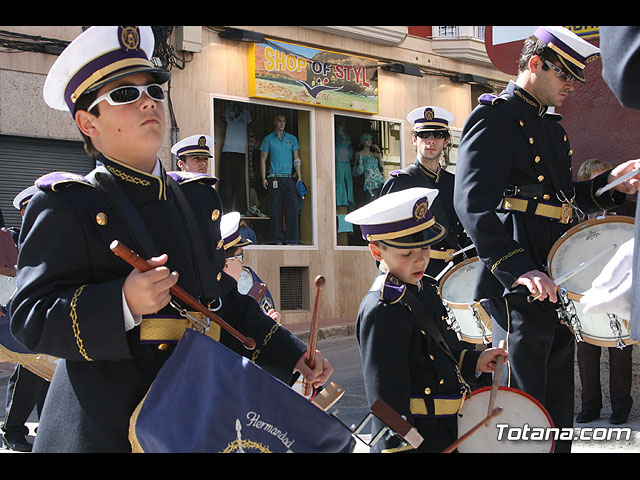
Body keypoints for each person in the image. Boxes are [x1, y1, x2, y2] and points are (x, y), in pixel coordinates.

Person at [8, 26, 333, 453]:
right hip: (109, 429)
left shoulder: (196, 198)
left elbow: (220, 302)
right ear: (88, 123)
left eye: (154, 90)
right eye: (124, 95)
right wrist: (122, 301)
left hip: (194, 417)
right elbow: (30, 319)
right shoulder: (67, 204)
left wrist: (290, 353)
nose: (148, 101)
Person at [454, 26, 640, 452]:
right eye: (565, 76)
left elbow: (562, 198)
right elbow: (472, 205)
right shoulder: (493, 118)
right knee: (526, 394)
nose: (571, 87)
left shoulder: (552, 127)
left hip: (556, 268)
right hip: (521, 271)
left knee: (557, 389)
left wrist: (611, 182)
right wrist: (518, 270)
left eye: (576, 79)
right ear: (534, 64)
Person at [345, 187, 508, 453]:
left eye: (425, 247)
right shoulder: (383, 309)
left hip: (448, 430)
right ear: (377, 252)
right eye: (406, 254)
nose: (420, 259)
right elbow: (385, 402)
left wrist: (473, 359)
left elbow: (435, 353)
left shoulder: (425, 289)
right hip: (418, 442)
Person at [381, 106, 473, 279]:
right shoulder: (400, 182)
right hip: (417, 273)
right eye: (424, 135)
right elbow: (382, 236)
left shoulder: (455, 183)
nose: (431, 140)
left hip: (456, 273)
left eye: (437, 135)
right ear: (414, 140)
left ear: (446, 141)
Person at [574, 159, 633, 425]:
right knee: (586, 352)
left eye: (603, 178)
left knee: (621, 349)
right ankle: (590, 407)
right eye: (592, 180)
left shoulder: (625, 214)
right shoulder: (573, 219)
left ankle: (621, 407)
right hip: (582, 293)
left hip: (617, 292)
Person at [1, 185, 49, 452]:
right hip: (18, 318)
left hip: (48, 317)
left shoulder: (56, 240)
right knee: (28, 371)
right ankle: (12, 430)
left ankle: (47, 424)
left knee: (51, 372)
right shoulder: (13, 241)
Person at [220, 211, 278, 322]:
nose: (243, 263)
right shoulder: (209, 294)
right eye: (240, 257)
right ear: (226, 264)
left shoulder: (249, 279)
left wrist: (270, 323)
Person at [260, 114, 302, 245]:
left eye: (284, 121)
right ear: (274, 122)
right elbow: (263, 159)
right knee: (275, 208)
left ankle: (292, 240)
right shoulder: (268, 139)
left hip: (288, 178)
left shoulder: (292, 139)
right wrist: (263, 178)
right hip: (274, 178)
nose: (282, 123)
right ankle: (276, 239)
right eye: (279, 121)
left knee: (293, 208)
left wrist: (299, 175)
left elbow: (296, 159)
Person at [353, 133, 385, 201]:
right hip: (370, 183)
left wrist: (378, 151)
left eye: (370, 139)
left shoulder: (375, 154)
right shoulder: (359, 154)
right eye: (366, 139)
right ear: (362, 141)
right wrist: (361, 161)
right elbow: (359, 171)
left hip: (379, 181)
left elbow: (382, 165)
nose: (369, 141)